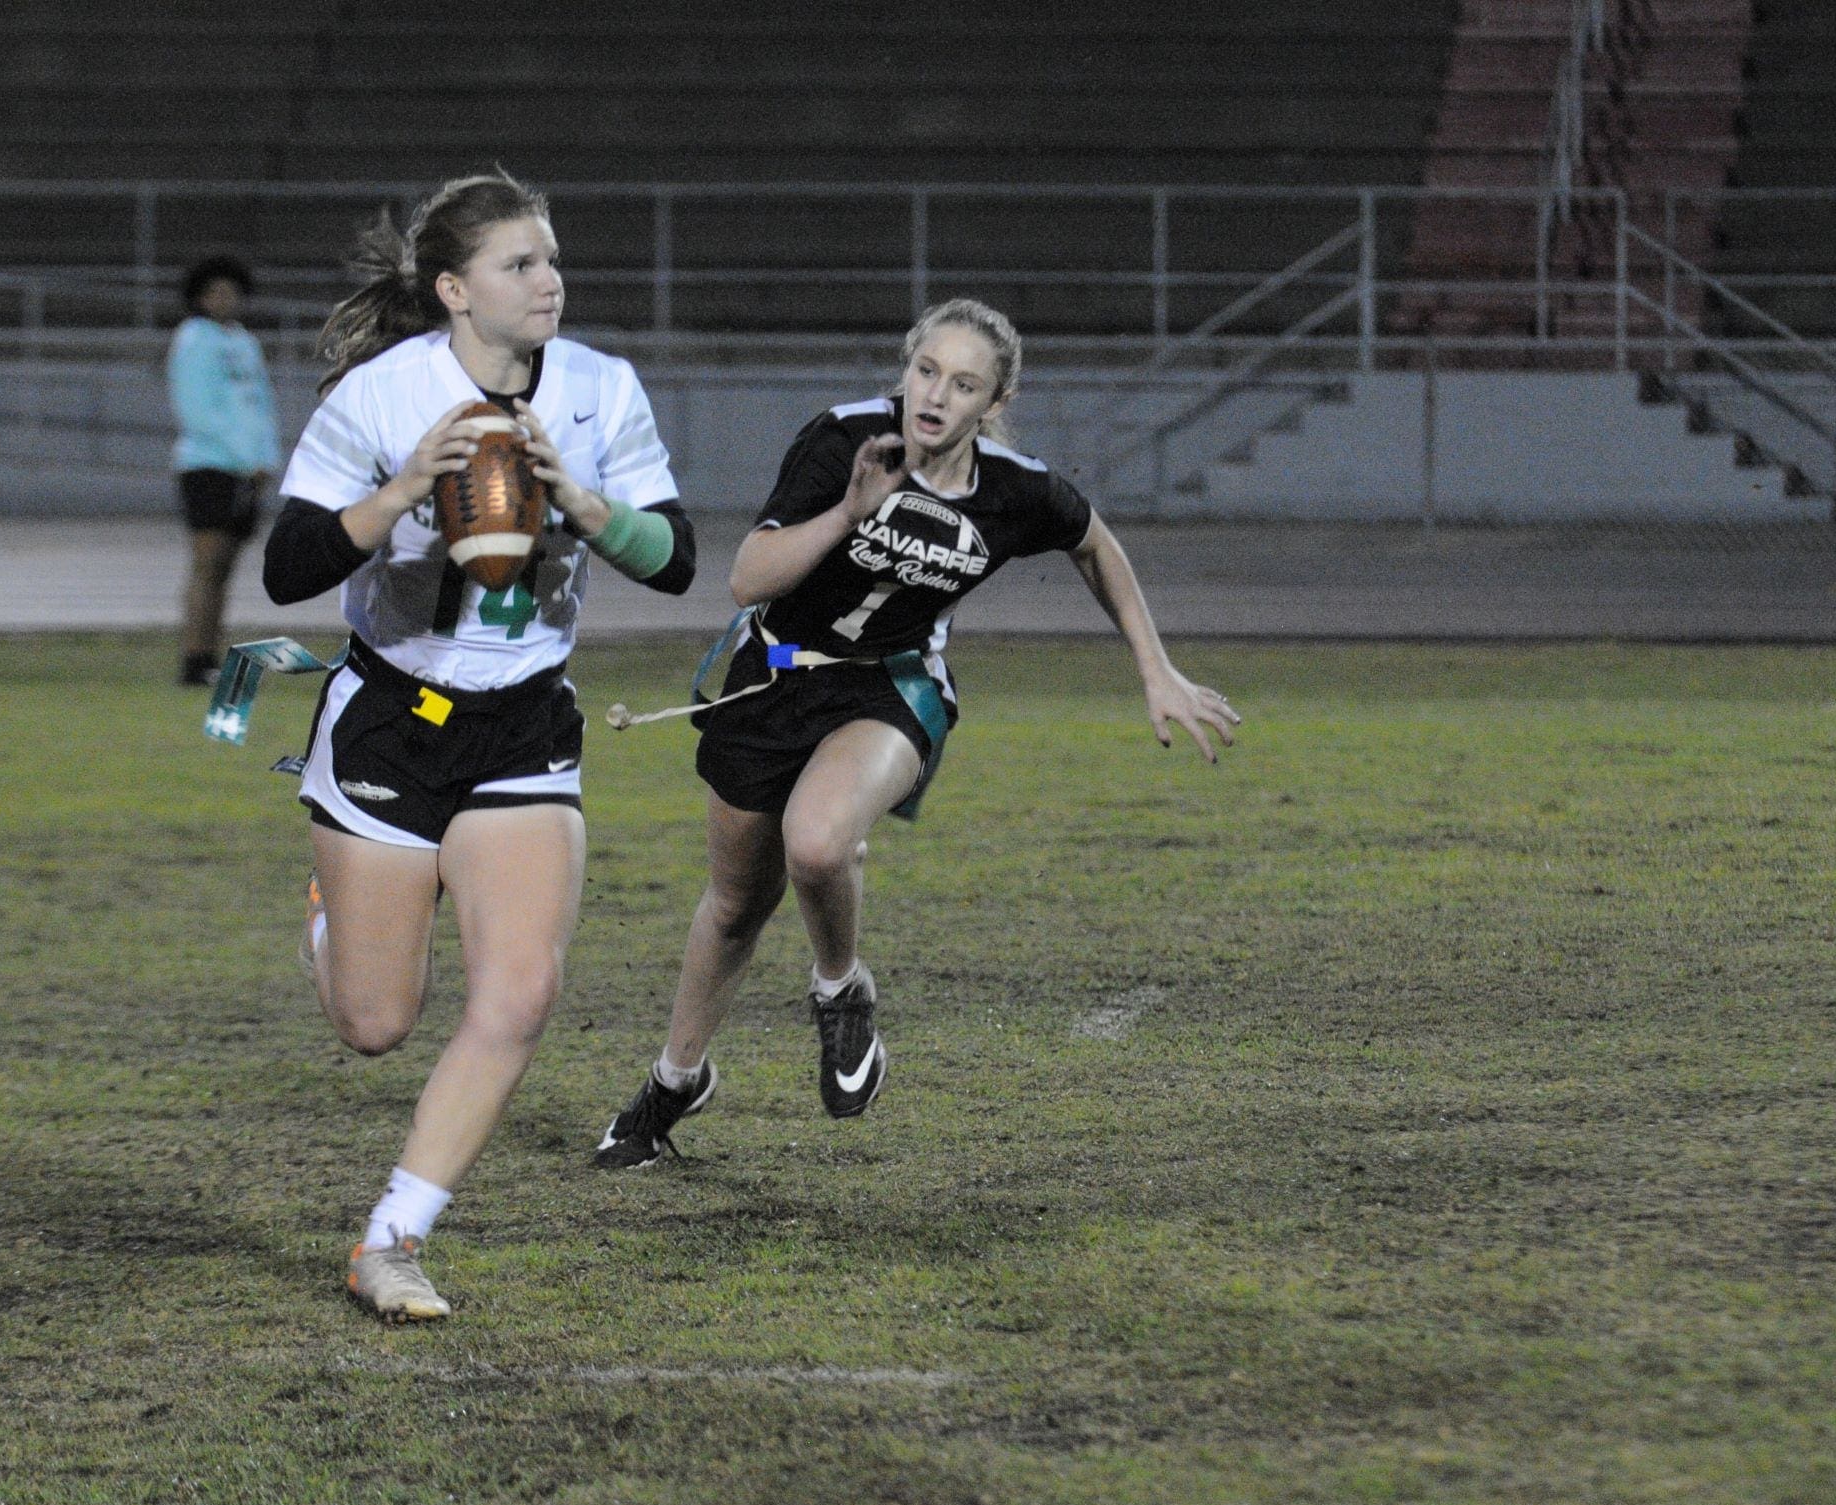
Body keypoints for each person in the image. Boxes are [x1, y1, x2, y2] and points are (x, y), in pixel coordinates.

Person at [592, 296, 1239, 1170]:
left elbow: (1095, 543)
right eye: (926, 371)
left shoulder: (1013, 489)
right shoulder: (844, 439)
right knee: (737, 903)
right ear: (905, 369)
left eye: (964, 384)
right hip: (774, 676)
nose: (936, 395)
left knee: (817, 842)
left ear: (996, 400)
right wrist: (848, 512)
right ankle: (676, 1080)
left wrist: (1155, 667)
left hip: (891, 685)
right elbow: (748, 578)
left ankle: (841, 989)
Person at [261, 172, 696, 1321]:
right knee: (375, 1025)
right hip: (393, 722)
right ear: (454, 290)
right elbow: (289, 564)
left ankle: (392, 1241)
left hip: (522, 724)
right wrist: (407, 489)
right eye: (520, 264)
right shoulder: (385, 393)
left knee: (521, 992)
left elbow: (678, 558)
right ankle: (335, 914)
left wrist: (583, 506)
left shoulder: (600, 389)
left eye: (552, 260)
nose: (551, 282)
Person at [168, 255, 283, 686]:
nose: (225, 299)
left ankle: (209, 657)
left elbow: (261, 406)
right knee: (207, 563)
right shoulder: (193, 339)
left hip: (247, 471)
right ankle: (193, 658)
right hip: (209, 466)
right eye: (216, 292)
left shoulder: (244, 341)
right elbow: (197, 410)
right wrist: (245, 458)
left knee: (225, 569)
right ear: (199, 298)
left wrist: (266, 460)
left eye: (231, 292)